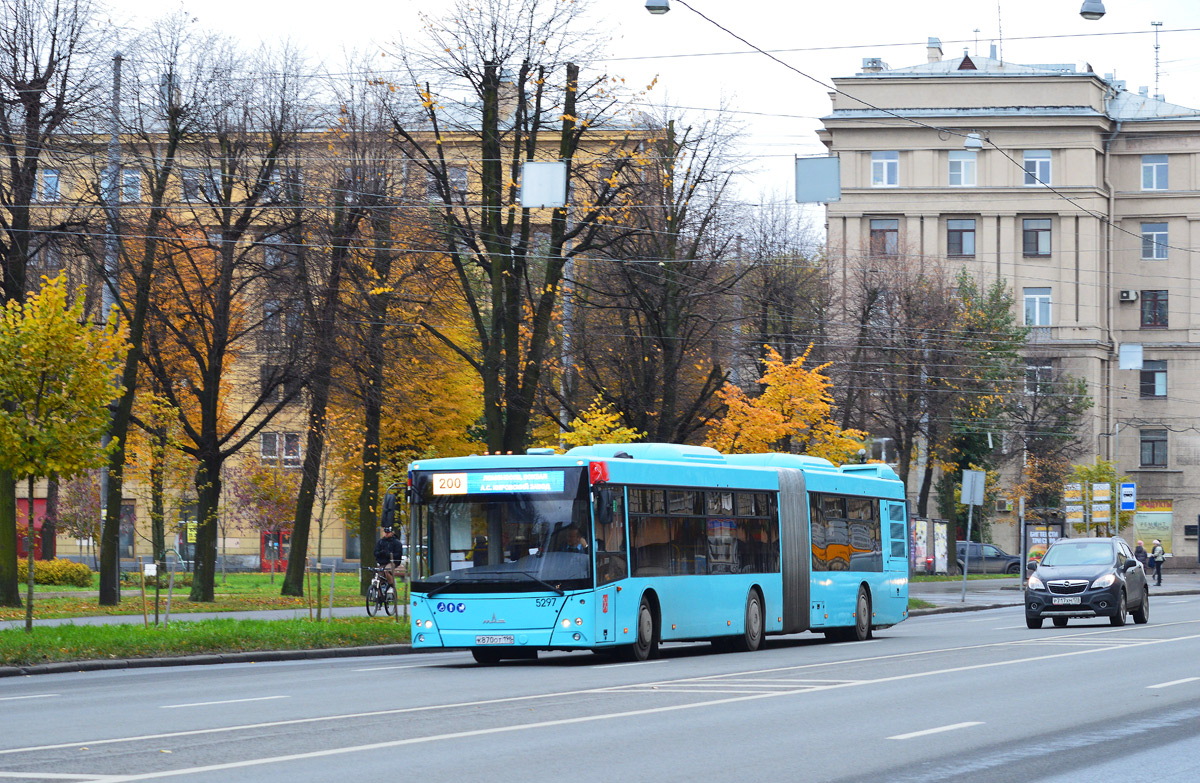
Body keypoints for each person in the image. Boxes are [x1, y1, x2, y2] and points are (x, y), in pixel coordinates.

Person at [374, 525, 404, 594]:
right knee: (378, 579)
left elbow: (398, 554)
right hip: (382, 562)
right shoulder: (380, 542)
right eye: (385, 532)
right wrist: (381, 553)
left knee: (387, 571)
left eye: (388, 532)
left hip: (392, 562)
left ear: (392, 533)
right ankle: (379, 597)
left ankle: (391, 585)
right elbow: (375, 552)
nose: (386, 534)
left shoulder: (396, 543)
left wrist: (388, 554)